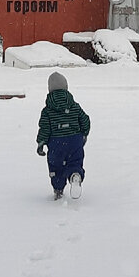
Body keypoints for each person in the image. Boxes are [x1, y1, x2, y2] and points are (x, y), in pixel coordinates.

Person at [36, 71, 90, 200]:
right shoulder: (74, 106)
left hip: (56, 143)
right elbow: (85, 120)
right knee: (75, 161)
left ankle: (58, 189)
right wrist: (84, 134)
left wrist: (41, 142)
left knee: (56, 166)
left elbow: (44, 128)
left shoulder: (47, 110)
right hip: (75, 140)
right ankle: (75, 174)